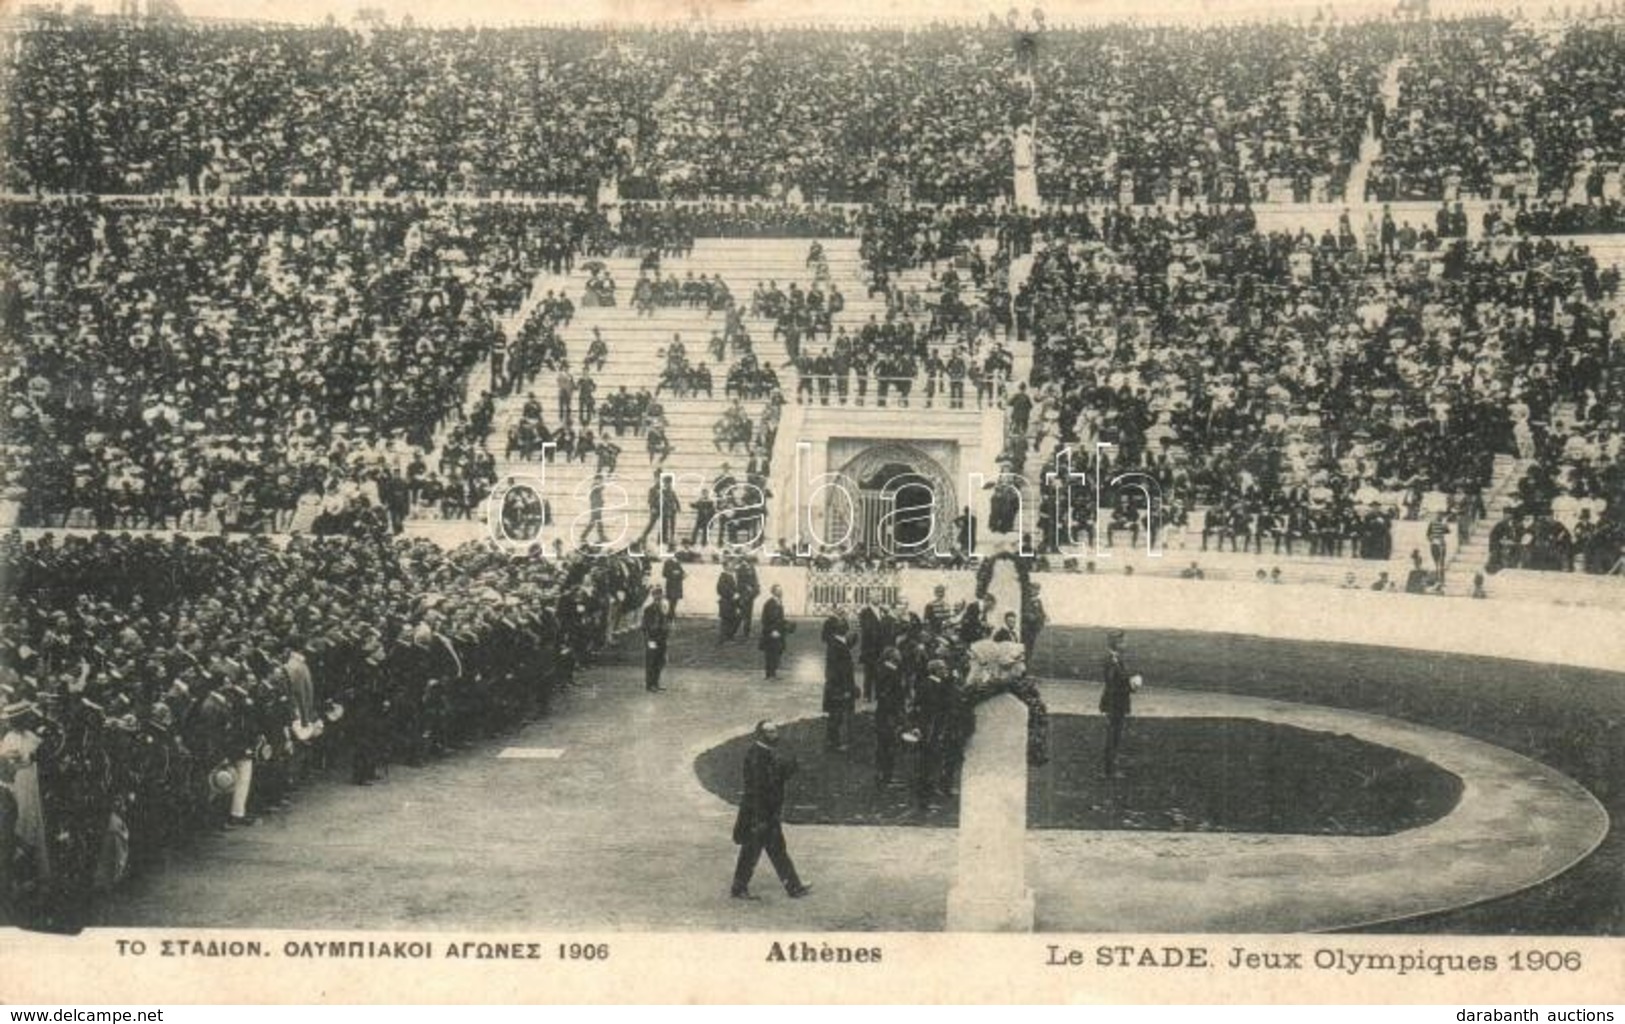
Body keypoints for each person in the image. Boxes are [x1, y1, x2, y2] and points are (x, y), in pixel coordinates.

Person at [730, 720, 811, 901]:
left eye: (775, 731)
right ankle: (792, 887)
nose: (776, 735)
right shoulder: (758, 756)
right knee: (757, 852)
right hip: (760, 815)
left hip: (763, 814)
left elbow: (774, 779)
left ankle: (793, 887)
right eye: (771, 732)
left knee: (771, 851)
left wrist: (787, 768)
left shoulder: (763, 753)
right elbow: (763, 787)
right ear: (762, 735)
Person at [1099, 628, 1140, 778]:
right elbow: (1113, 682)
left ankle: (1110, 768)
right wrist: (1131, 684)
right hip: (1115, 702)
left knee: (1114, 735)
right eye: (1123, 641)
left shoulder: (1115, 658)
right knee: (1113, 736)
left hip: (1115, 701)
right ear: (1116, 642)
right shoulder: (1112, 659)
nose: (1125, 644)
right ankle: (1109, 770)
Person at [822, 618, 857, 752]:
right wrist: (846, 689)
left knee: (836, 716)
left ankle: (833, 742)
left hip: (835, 687)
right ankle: (834, 744)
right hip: (838, 688)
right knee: (836, 716)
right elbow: (839, 670)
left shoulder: (836, 642)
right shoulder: (837, 645)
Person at [642, 587, 669, 693]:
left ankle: (656, 683)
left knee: (660, 661)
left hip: (661, 638)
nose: (658, 597)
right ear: (653, 596)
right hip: (652, 639)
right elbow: (645, 626)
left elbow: (665, 624)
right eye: (656, 595)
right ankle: (650, 684)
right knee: (651, 661)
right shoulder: (648, 609)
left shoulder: (663, 608)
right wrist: (649, 639)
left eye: (660, 595)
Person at [759, 584, 789, 680]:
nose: (780, 592)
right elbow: (767, 619)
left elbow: (779, 618)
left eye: (781, 590)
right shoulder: (770, 603)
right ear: (773, 592)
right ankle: (770, 674)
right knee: (771, 654)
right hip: (772, 633)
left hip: (778, 632)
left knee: (777, 653)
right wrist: (773, 630)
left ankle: (772, 673)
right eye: (778, 590)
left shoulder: (778, 602)